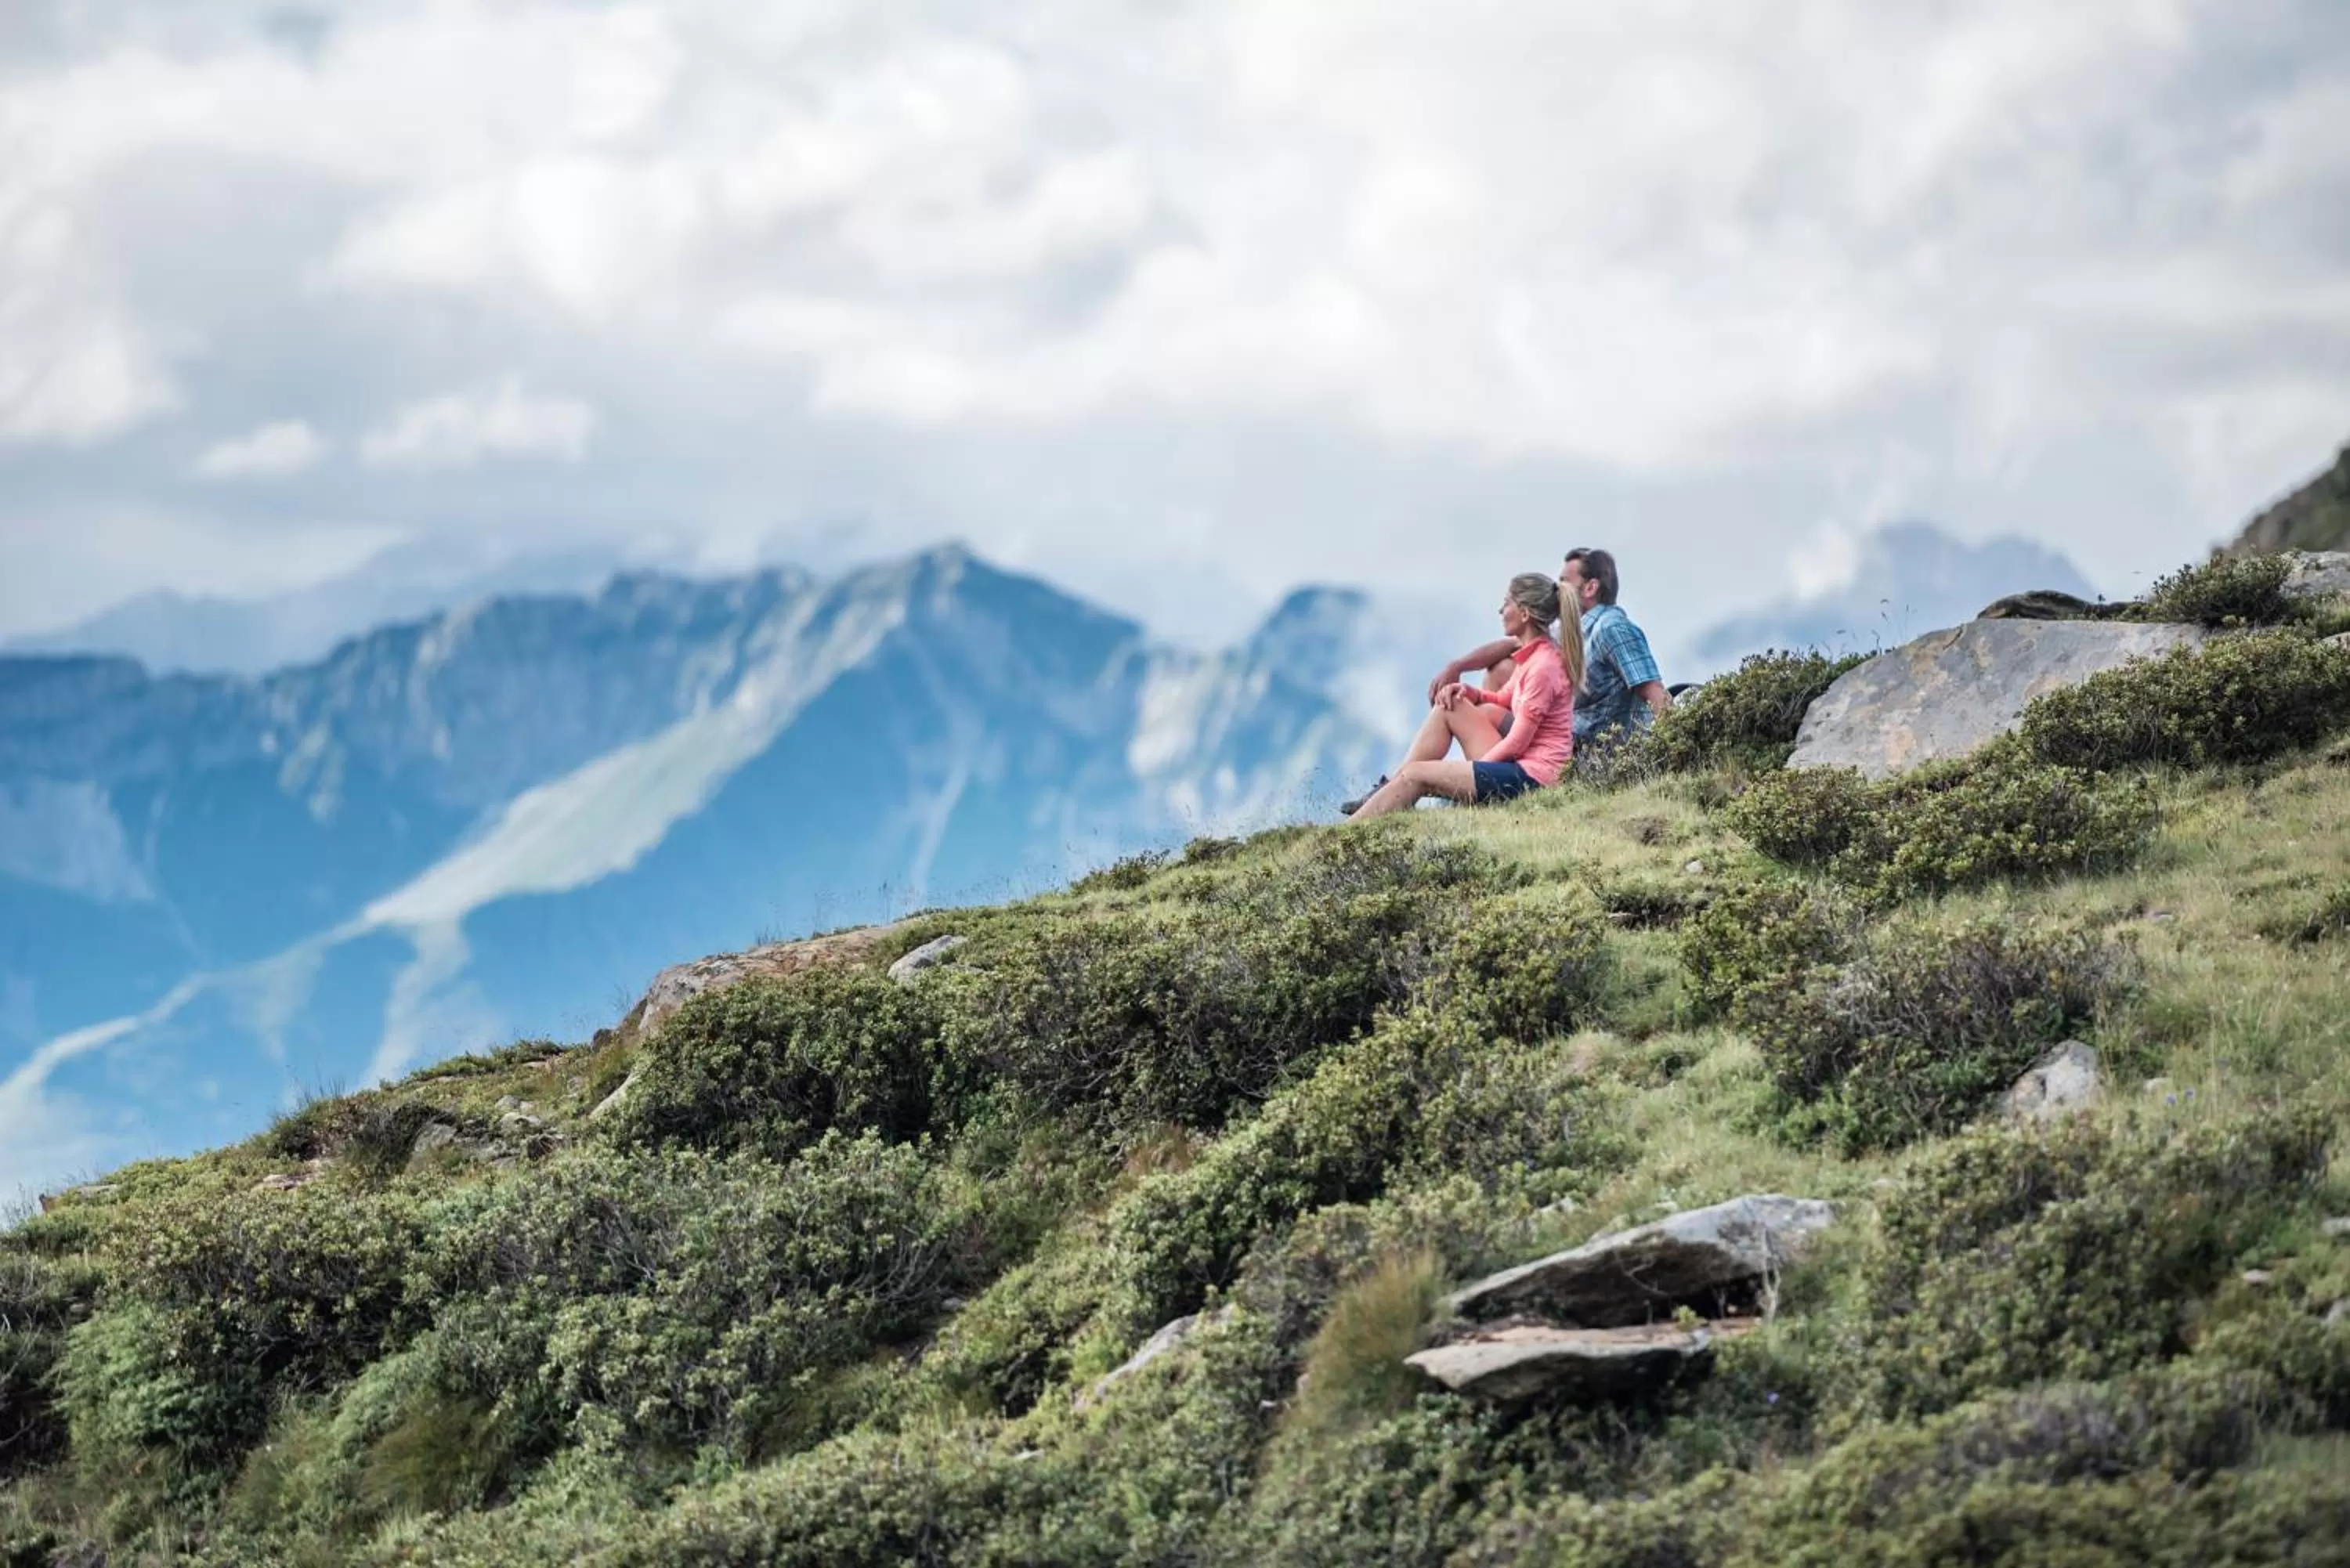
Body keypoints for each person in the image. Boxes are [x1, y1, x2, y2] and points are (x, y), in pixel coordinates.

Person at [1344, 573, 1582, 819]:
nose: (1501, 610)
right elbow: (1503, 699)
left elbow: (1517, 744)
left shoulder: (1543, 667)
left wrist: (1473, 771)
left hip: (1533, 779)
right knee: (1451, 704)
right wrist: (1469, 692)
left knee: (1416, 773)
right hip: (1521, 766)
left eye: (1507, 603)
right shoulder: (1532, 657)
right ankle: (1388, 792)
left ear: (1524, 614)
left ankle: (1345, 837)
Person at [1424, 546, 1670, 753]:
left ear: (1590, 588)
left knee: (1485, 712)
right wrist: (1457, 667)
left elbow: (1654, 692)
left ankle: (1491, 778)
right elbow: (1511, 646)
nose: (1557, 590)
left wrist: (1678, 749)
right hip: (1564, 733)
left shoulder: (1612, 628)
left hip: (1590, 747)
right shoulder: (1568, 631)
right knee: (1499, 669)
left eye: (1564, 582)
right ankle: (1491, 774)